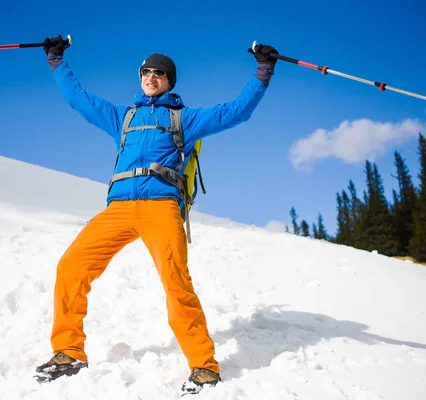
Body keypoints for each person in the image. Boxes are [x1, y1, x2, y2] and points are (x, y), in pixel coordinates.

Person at [35, 34, 278, 392]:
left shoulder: (185, 119)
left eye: (159, 73)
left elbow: (236, 111)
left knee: (176, 281)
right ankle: (68, 353)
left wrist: (263, 70)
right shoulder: (123, 118)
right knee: (71, 266)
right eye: (146, 71)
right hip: (118, 209)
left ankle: (203, 366)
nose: (151, 76)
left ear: (169, 81)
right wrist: (56, 60)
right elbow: (79, 99)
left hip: (161, 207)